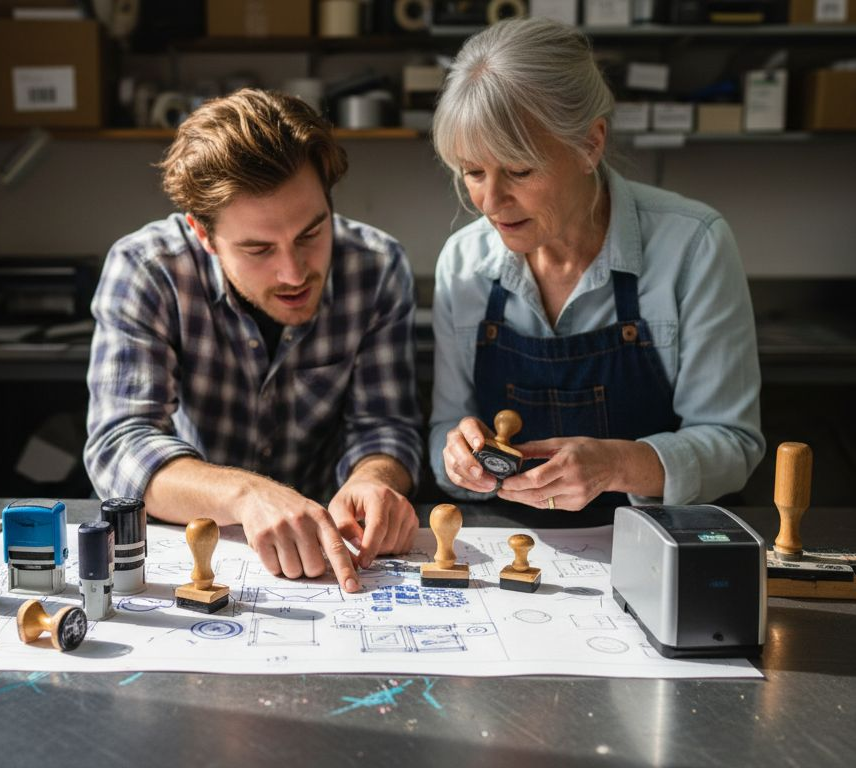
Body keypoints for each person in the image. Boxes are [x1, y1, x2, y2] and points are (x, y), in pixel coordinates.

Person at [85, 89, 422, 593]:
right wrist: (245, 495)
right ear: (203, 234)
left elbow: (385, 424)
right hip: (200, 549)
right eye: (258, 248)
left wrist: (375, 479)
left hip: (337, 555)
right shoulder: (146, 269)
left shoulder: (377, 267)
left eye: (311, 233)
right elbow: (120, 446)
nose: (294, 272)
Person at [428, 18, 765, 511]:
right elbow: (445, 427)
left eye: (519, 170)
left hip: (656, 547)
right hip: (511, 553)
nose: (491, 201)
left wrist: (617, 464)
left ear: (590, 144)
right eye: (473, 172)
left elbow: (734, 444)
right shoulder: (463, 261)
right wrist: (456, 457)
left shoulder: (693, 245)